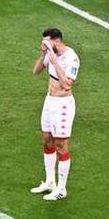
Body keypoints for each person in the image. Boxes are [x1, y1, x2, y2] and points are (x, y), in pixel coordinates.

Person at [28, 28, 80, 201]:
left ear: (56, 41)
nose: (44, 44)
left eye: (47, 42)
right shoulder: (50, 53)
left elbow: (67, 85)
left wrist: (54, 62)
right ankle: (50, 181)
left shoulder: (71, 58)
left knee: (61, 145)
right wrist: (43, 55)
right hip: (49, 102)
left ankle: (61, 188)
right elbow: (35, 71)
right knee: (47, 140)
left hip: (63, 105)